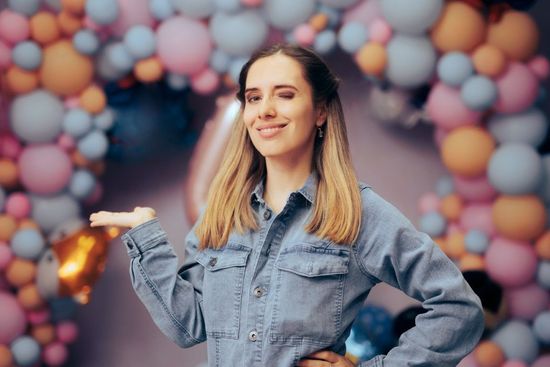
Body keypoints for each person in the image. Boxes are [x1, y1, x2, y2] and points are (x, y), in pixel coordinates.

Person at [89, 44, 484, 367]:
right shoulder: (222, 213)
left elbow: (458, 308)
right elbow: (189, 326)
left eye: (285, 94)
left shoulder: (357, 213)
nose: (265, 110)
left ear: (321, 112)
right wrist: (146, 237)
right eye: (253, 97)